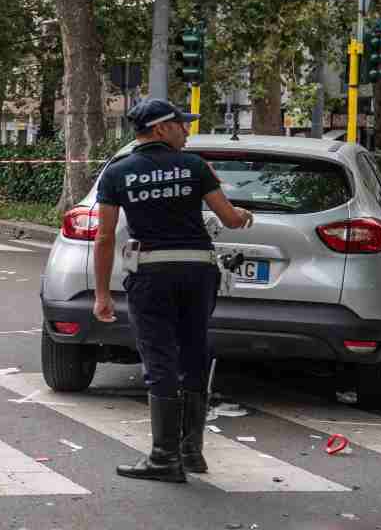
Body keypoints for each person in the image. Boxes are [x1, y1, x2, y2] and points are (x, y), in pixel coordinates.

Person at [92, 98, 253, 483]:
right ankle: (191, 452)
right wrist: (246, 216)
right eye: (182, 124)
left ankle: (164, 458)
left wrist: (101, 294)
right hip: (197, 273)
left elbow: (103, 237)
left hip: (151, 275)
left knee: (160, 359)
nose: (187, 130)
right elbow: (229, 218)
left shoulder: (119, 172)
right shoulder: (195, 166)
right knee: (195, 351)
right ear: (162, 128)